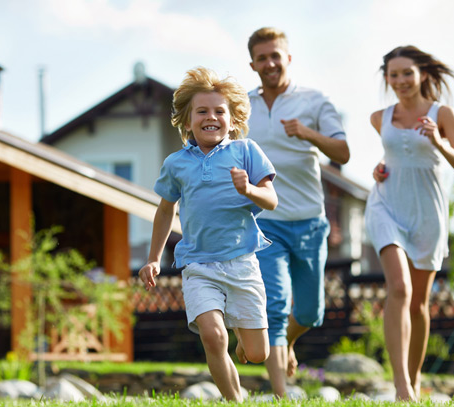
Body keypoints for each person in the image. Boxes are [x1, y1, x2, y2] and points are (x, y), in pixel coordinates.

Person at [138, 67, 277, 402]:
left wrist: (249, 190)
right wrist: (154, 258)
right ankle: (235, 399)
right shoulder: (176, 164)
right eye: (202, 111)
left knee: (258, 354)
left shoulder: (246, 150)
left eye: (219, 111)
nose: (211, 117)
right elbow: (165, 210)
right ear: (187, 121)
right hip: (198, 264)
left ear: (232, 119)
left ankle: (246, 338)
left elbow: (271, 200)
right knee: (213, 337)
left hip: (242, 262)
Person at [246, 27, 350, 397]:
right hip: (264, 221)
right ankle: (280, 395)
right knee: (274, 305)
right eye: (262, 57)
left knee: (309, 313)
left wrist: (308, 134)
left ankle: (287, 343)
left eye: (276, 55)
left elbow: (342, 153)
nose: (270, 63)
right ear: (253, 63)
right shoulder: (243, 106)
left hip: (308, 221)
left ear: (288, 58)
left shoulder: (314, 101)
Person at [364, 45, 454, 401]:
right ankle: (401, 387)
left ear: (422, 74)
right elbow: (392, 155)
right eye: (393, 75)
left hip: (427, 212)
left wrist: (438, 141)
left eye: (406, 73)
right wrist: (378, 168)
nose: (400, 81)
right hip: (387, 206)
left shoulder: (442, 114)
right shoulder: (380, 117)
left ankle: (414, 377)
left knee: (418, 303)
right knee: (399, 288)